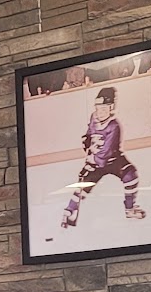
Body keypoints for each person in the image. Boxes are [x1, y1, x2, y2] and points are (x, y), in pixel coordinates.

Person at [61, 86, 145, 231]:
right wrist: (88, 149)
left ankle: (129, 208)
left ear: (111, 108)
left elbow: (107, 152)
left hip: (113, 160)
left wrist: (91, 161)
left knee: (130, 175)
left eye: (104, 109)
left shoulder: (114, 126)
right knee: (83, 186)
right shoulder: (93, 118)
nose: (100, 112)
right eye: (98, 108)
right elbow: (88, 136)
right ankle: (70, 211)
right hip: (96, 161)